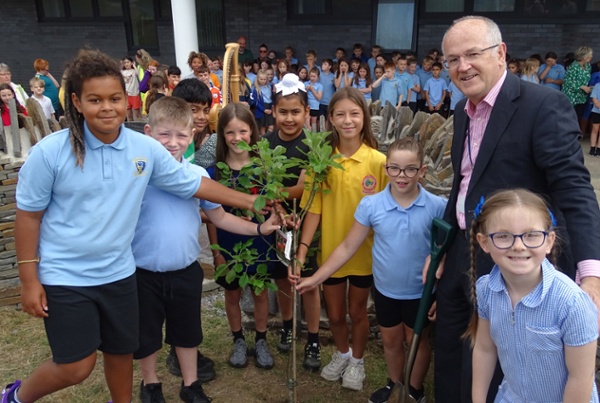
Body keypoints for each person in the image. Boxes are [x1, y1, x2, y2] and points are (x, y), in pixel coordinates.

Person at [2, 48, 270, 403]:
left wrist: (252, 201)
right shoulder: (50, 153)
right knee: (76, 366)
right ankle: (15, 397)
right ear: (77, 103)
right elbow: (29, 216)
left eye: (115, 98)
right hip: (66, 276)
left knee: (121, 353)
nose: (108, 107)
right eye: (95, 99)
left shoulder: (143, 148)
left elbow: (193, 184)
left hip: (120, 274)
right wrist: (28, 279)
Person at [436, 16, 600, 403]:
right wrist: (441, 248)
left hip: (515, 257)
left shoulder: (543, 105)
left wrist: (591, 273)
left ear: (501, 54)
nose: (463, 66)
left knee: (499, 361)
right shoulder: (462, 111)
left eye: (473, 54)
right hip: (464, 247)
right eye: (452, 59)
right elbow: (464, 183)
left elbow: (575, 189)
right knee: (451, 348)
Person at [132, 97, 281, 403]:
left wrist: (258, 228)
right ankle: (150, 385)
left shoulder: (197, 177)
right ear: (148, 132)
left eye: (181, 136)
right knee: (146, 334)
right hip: (142, 270)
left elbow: (221, 216)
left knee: (187, 331)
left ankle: (191, 385)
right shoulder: (136, 176)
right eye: (164, 134)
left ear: (192, 136)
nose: (173, 143)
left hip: (185, 268)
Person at [295, 137, 446, 402]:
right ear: (386, 169)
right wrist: (316, 278)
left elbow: (446, 253)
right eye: (395, 168)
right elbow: (346, 247)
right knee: (390, 340)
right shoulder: (371, 205)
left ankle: (414, 390)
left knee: (416, 342)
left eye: (410, 169)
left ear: (422, 171)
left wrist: (440, 292)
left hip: (420, 293)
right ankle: (394, 383)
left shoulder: (437, 207)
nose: (402, 175)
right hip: (386, 289)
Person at [292, 87, 388, 391]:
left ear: (364, 117)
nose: (348, 121)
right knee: (333, 314)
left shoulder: (379, 162)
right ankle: (342, 352)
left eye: (354, 113)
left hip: (364, 255)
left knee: (357, 311)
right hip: (330, 254)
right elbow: (314, 211)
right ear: (330, 118)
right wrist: (303, 251)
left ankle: (357, 362)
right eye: (341, 114)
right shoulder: (320, 163)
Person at [467, 189, 598, 403]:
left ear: (549, 241)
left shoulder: (572, 303)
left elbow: (581, 378)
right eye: (503, 236)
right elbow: (484, 349)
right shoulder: (487, 290)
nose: (519, 245)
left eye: (531, 235)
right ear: (484, 242)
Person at [207, 103, 277, 371]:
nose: (237, 138)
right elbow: (213, 218)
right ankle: (238, 339)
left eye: (243, 131)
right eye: (229, 132)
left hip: (260, 242)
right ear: (221, 135)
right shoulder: (214, 173)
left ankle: (261, 339)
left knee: (259, 292)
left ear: (253, 132)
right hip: (228, 243)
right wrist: (217, 253)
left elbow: (273, 205)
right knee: (232, 293)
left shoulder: (264, 170)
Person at [265, 73, 321, 371]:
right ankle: (288, 324)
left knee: (309, 283)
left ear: (307, 113)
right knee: (281, 278)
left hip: (304, 221)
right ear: (273, 111)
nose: (289, 118)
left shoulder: (313, 146)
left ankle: (313, 337)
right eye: (283, 112)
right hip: (276, 222)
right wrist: (273, 201)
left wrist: (273, 193)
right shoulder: (265, 144)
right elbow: (262, 180)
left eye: (295, 112)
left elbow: (304, 189)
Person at [172, 78, 216, 168]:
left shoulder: (193, 137)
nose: (202, 117)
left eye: (206, 110)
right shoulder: (171, 144)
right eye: (193, 110)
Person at [562, 46, 593, 134]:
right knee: (569, 118)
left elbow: (586, 80)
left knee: (577, 117)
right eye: (590, 55)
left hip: (581, 97)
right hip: (571, 96)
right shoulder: (573, 66)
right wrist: (582, 87)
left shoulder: (588, 66)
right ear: (583, 56)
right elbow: (567, 82)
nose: (591, 57)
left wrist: (588, 87)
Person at [121, 56, 142, 121]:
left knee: (137, 113)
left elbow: (137, 73)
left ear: (131, 63)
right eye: (125, 63)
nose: (126, 64)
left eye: (128, 62)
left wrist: (134, 66)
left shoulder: (133, 71)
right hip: (126, 95)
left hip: (134, 94)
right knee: (129, 113)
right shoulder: (122, 72)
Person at [589, 80, 600, 156]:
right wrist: (598, 105)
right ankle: (592, 147)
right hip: (596, 111)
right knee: (595, 129)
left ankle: (599, 148)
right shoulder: (597, 86)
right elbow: (594, 98)